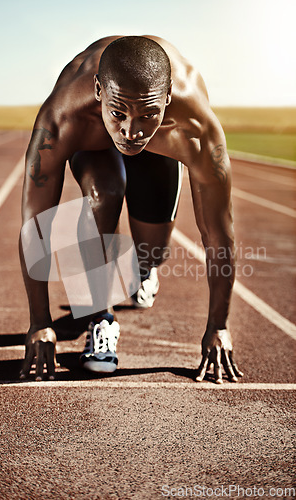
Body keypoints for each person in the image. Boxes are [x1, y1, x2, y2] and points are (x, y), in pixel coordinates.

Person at [19, 35, 243, 384]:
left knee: (152, 251)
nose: (131, 131)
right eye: (119, 113)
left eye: (148, 114)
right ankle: (100, 318)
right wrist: (39, 322)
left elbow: (218, 231)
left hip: (164, 144)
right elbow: (35, 224)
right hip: (93, 139)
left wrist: (219, 326)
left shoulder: (195, 128)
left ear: (167, 98)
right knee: (103, 193)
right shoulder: (63, 117)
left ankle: (143, 267)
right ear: (97, 90)